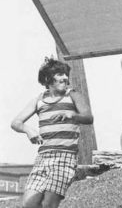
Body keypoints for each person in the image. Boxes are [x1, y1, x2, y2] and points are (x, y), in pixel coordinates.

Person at [11, 58, 94, 208]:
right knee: (29, 203)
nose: (65, 77)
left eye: (66, 74)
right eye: (60, 74)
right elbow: (16, 122)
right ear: (48, 78)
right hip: (43, 157)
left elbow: (88, 117)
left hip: (65, 156)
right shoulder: (39, 100)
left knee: (49, 203)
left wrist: (72, 115)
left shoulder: (73, 95)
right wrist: (28, 130)